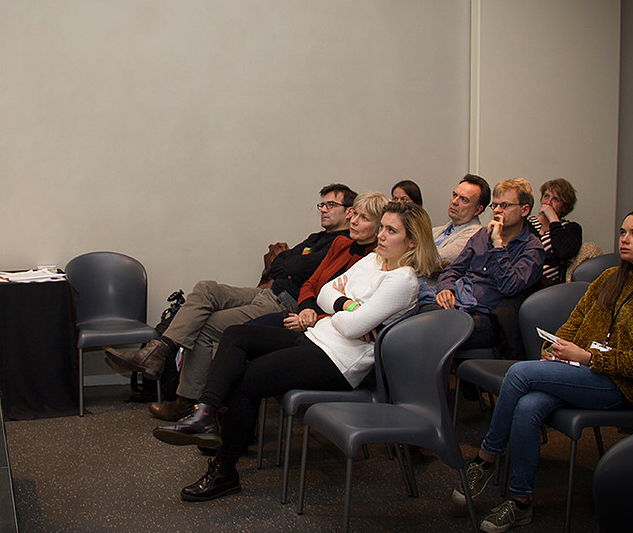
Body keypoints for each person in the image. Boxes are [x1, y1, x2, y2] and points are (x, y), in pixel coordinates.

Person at [152, 201, 442, 501]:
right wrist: (349, 307)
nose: (381, 235)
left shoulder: (402, 281)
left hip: (339, 363)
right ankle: (205, 412)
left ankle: (225, 470)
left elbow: (352, 327)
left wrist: (345, 313)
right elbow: (327, 291)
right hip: (318, 337)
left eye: (391, 231)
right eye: (382, 227)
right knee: (236, 335)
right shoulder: (373, 262)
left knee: (243, 381)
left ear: (411, 242)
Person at [454, 209, 633, 532]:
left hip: (618, 385)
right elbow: (575, 323)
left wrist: (587, 358)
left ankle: (485, 458)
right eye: (622, 232)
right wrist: (557, 349)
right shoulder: (609, 278)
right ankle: (520, 503)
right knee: (528, 405)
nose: (624, 240)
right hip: (580, 370)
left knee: (520, 374)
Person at [105, 184, 357, 418]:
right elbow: (277, 262)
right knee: (206, 288)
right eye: (321, 205)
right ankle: (158, 350)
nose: (323, 210)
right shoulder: (315, 238)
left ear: (349, 212)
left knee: (211, 325)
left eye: (331, 205)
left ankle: (186, 401)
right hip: (267, 292)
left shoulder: (343, 244)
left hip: (285, 304)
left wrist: (290, 263)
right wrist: (290, 263)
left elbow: (294, 265)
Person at [435, 178, 545, 354]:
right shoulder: (481, 236)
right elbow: (454, 269)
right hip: (460, 303)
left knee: (432, 332)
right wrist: (445, 288)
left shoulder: (532, 248)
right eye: (495, 206)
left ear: (524, 210)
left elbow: (509, 286)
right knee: (412, 316)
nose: (498, 211)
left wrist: (498, 245)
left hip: (490, 318)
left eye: (505, 206)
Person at [527, 178, 582, 286]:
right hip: (524, 278)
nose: (548, 203)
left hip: (550, 285)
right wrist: (553, 259)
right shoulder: (526, 223)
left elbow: (562, 253)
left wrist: (553, 219)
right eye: (546, 196)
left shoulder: (570, 229)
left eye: (556, 200)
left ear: (564, 207)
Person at [432, 174, 492, 262]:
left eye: (464, 199)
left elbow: (435, 261)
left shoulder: (474, 237)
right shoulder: (435, 231)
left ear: (478, 209)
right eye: (455, 195)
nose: (454, 202)